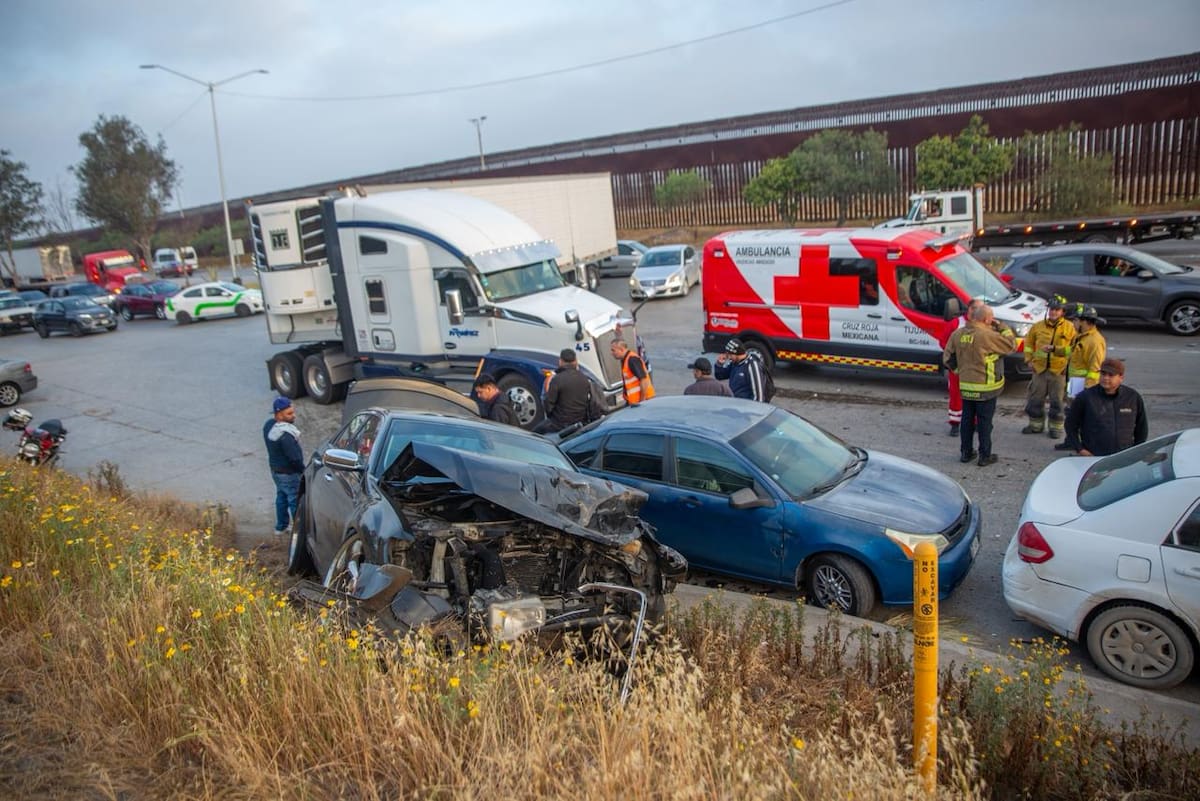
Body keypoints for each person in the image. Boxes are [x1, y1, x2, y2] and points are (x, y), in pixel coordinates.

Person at [942, 304, 1015, 467]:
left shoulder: (958, 334)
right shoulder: (987, 335)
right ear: (987, 319)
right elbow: (1011, 345)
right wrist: (1001, 326)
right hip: (986, 388)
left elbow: (947, 358)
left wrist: (960, 372)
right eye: (991, 318)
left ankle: (966, 453)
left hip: (966, 387)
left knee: (966, 421)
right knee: (984, 423)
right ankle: (985, 456)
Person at [1056, 358, 1148, 456]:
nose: (1105, 378)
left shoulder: (1132, 397)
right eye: (1103, 374)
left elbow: (1141, 428)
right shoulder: (1085, 398)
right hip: (1093, 456)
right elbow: (1070, 425)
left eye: (1111, 375)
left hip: (1124, 457)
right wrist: (1080, 449)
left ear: (1121, 377)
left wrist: (1137, 451)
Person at [1021, 295, 1076, 439]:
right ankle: (1035, 426)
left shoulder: (1069, 328)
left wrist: (1067, 366)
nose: (1053, 312)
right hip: (1039, 370)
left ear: (1063, 312)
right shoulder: (1037, 326)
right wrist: (1029, 361)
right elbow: (1028, 344)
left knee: (1057, 402)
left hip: (1059, 371)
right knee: (1035, 400)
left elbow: (1074, 349)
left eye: (1057, 310)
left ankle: (1055, 428)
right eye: (1052, 309)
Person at [938, 298, 985, 437]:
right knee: (956, 395)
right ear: (969, 308)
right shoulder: (956, 323)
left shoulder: (983, 324)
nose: (977, 311)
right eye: (974, 308)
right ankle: (955, 423)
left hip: (976, 368)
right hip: (958, 367)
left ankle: (975, 422)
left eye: (980, 309)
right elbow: (944, 343)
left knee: (976, 396)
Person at [263, 396, 304, 536]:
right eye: (289, 414)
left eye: (293, 412)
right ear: (279, 415)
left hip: (275, 471)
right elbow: (295, 459)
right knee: (294, 500)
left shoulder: (268, 426)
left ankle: (280, 527)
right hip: (289, 474)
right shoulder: (286, 435)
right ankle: (298, 531)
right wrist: (303, 470)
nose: (294, 416)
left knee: (281, 497)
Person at [540, 348, 604, 432]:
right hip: (581, 421)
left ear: (561, 361)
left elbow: (548, 405)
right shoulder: (584, 378)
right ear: (576, 361)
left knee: (536, 433)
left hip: (560, 424)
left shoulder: (557, 380)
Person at [1065, 306, 1107, 400]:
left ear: (1083, 322)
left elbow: (1095, 369)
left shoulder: (1095, 341)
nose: (1073, 323)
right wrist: (1055, 349)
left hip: (1083, 386)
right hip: (1074, 384)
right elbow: (1073, 351)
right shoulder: (1081, 336)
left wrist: (1088, 390)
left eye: (1075, 320)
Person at [610, 337, 654, 404]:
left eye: (613, 350)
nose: (612, 353)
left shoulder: (632, 360)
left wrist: (642, 401)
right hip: (634, 402)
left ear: (621, 349)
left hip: (642, 401)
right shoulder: (626, 359)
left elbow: (644, 380)